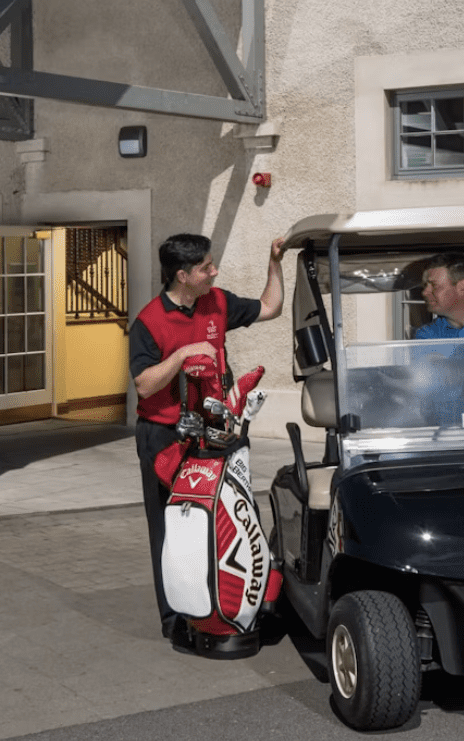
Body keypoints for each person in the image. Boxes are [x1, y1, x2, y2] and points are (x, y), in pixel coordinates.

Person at [129, 233, 286, 651]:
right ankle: (177, 618)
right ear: (182, 275)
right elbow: (144, 386)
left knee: (232, 514)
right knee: (172, 527)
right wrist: (183, 355)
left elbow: (270, 307)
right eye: (205, 267)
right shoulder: (148, 322)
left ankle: (238, 604)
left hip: (217, 430)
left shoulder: (217, 301)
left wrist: (275, 261)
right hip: (164, 436)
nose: (214, 272)